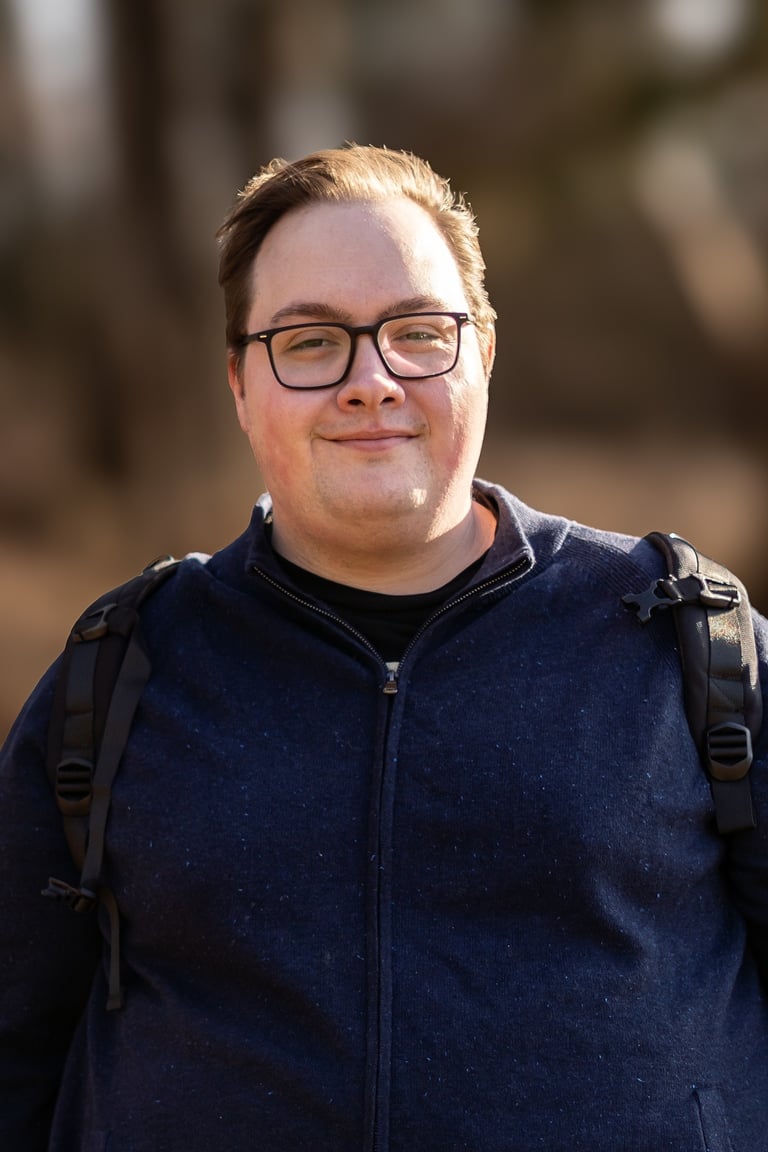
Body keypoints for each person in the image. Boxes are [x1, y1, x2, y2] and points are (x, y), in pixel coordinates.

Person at [1, 144, 766, 1152]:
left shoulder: (687, 647)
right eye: (312, 342)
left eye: (416, 333)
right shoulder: (120, 675)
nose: (371, 382)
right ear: (240, 383)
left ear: (483, 356)